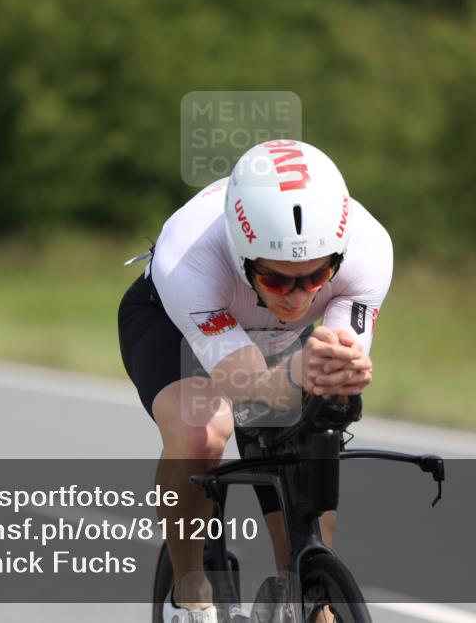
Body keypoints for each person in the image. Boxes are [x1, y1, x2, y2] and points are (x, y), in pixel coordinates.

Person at [118, 140, 392, 622]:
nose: (299, 295)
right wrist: (297, 372)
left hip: (278, 340)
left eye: (316, 277)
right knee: (201, 434)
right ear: (245, 255)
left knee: (310, 434)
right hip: (173, 323)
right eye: (278, 281)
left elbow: (331, 370)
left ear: (338, 254)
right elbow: (246, 385)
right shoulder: (190, 257)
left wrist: (342, 373)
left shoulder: (369, 248)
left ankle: (310, 592)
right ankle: (190, 593)